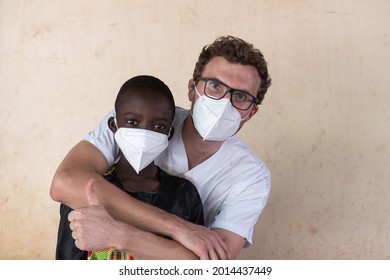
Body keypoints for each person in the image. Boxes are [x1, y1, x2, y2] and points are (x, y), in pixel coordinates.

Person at [50, 35, 272, 260]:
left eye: (241, 96)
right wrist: (178, 228)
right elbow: (65, 183)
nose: (224, 103)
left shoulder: (252, 176)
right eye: (214, 86)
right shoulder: (141, 115)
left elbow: (213, 265)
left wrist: (119, 235)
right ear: (191, 89)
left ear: (251, 112)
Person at [55, 75, 204, 260]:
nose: (144, 133)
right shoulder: (86, 192)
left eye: (159, 126)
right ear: (113, 125)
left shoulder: (183, 193)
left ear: (169, 134)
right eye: (133, 122)